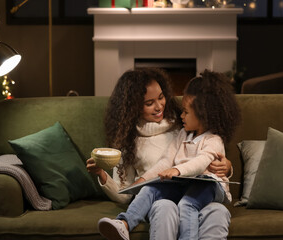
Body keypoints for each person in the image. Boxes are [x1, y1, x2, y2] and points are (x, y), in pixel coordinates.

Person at [86, 68, 233, 240]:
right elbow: (162, 164)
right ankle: (124, 224)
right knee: (158, 199)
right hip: (165, 196)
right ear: (133, 107)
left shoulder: (182, 124)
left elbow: (205, 158)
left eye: (161, 97)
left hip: (196, 189)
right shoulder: (129, 141)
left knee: (217, 211)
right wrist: (113, 177)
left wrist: (227, 167)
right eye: (149, 103)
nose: (159, 106)